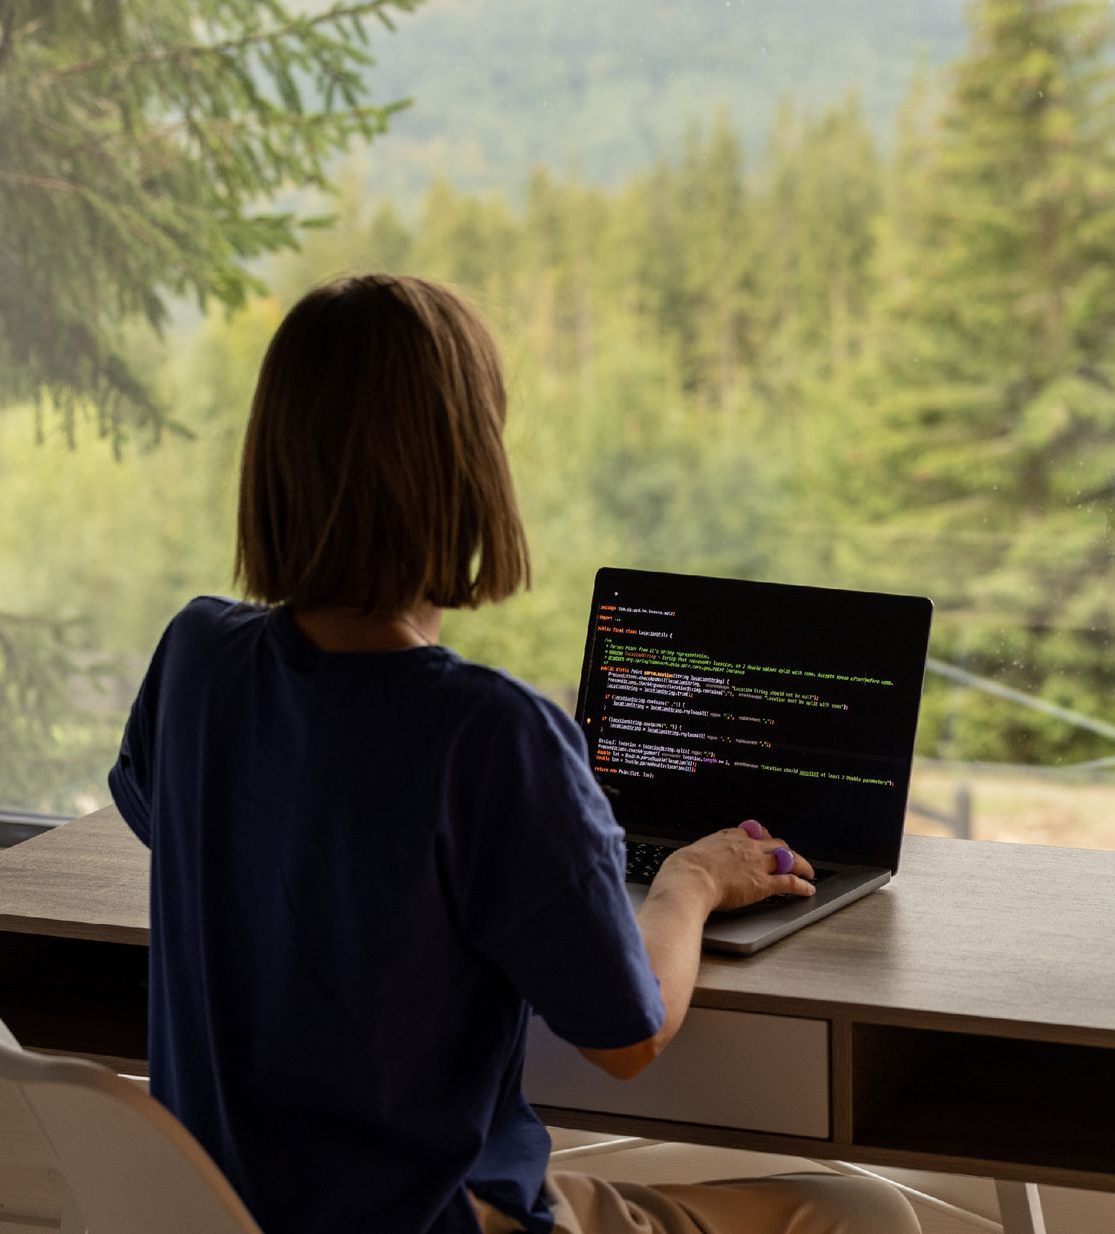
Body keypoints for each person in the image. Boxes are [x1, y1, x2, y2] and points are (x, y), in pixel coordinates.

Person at [107, 273, 921, 1234]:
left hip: (230, 1210)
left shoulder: (196, 654)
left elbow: (207, 831)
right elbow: (628, 1037)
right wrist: (691, 880)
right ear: (467, 469)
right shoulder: (493, 735)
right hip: (434, 1220)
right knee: (855, 1211)